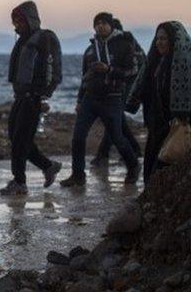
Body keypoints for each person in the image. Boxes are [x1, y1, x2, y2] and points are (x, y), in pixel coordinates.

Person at [60, 12, 140, 187]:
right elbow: (85, 77)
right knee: (78, 137)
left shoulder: (124, 45)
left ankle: (134, 166)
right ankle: (78, 175)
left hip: (112, 98)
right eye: (97, 23)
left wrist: (109, 69)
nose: (100, 26)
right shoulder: (90, 50)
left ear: (111, 25)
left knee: (117, 137)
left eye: (104, 23)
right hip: (90, 99)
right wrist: (80, 100)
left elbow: (133, 70)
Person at [0, 1, 63, 196]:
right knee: (17, 137)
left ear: (29, 20)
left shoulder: (44, 38)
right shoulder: (23, 40)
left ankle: (20, 182)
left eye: (19, 20)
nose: (15, 25)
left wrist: (44, 94)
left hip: (33, 97)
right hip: (20, 97)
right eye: (14, 21)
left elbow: (53, 68)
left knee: (21, 140)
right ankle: (48, 166)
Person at [128, 21, 191, 182]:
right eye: (157, 39)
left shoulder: (185, 65)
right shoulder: (155, 63)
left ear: (173, 41)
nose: (159, 43)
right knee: (150, 167)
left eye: (164, 39)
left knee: (165, 166)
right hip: (156, 126)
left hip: (175, 126)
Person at [91, 17, 143, 167]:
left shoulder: (125, 42)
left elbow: (134, 68)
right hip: (125, 83)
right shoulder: (126, 41)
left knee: (114, 119)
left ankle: (104, 154)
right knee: (117, 119)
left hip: (128, 83)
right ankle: (133, 149)